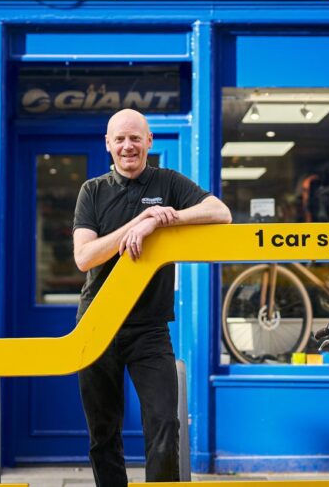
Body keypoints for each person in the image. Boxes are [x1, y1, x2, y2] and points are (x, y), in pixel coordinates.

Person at [73, 108, 232, 486]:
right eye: (120, 139)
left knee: (163, 423)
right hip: (96, 326)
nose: (128, 146)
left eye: (135, 138)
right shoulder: (92, 191)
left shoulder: (168, 183)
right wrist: (139, 223)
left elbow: (220, 213)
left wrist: (169, 216)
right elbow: (84, 257)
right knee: (103, 432)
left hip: (150, 329)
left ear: (149, 142)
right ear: (108, 145)